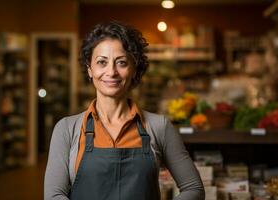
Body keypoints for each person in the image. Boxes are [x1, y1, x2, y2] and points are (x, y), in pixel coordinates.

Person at [44, 21, 204, 200]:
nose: (111, 72)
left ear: (134, 69)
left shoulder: (159, 127)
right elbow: (54, 195)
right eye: (101, 62)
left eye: (121, 62)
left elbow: (194, 188)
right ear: (90, 69)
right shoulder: (67, 129)